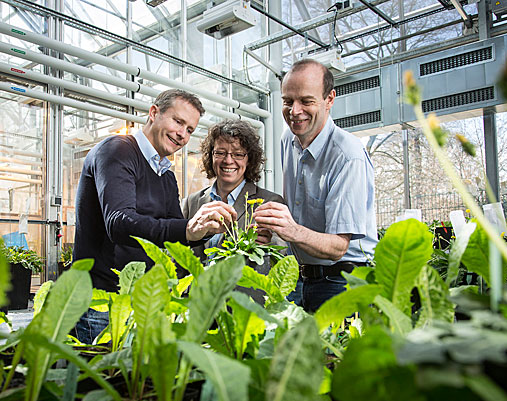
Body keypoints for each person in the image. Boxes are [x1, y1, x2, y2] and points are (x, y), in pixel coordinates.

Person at [73, 89, 236, 343]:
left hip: (142, 302)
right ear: (153, 113)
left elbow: (173, 233)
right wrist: (187, 229)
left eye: (190, 129)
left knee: (138, 381)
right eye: (178, 121)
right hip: (102, 302)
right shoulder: (117, 151)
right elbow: (118, 222)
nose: (182, 134)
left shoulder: (166, 175)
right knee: (102, 379)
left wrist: (205, 230)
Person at [254, 59, 378, 313]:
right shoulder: (288, 138)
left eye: (306, 101)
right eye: (288, 101)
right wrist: (274, 231)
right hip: (301, 277)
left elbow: (337, 247)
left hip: (344, 281)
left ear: (329, 99)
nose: (294, 111)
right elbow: (300, 221)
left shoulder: (347, 156)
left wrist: (290, 229)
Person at [182, 119, 286, 304]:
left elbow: (281, 263)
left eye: (238, 154)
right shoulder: (192, 202)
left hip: (243, 308)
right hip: (196, 308)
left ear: (250, 159)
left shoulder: (270, 202)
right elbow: (176, 254)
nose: (228, 160)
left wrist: (268, 246)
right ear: (210, 156)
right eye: (220, 153)